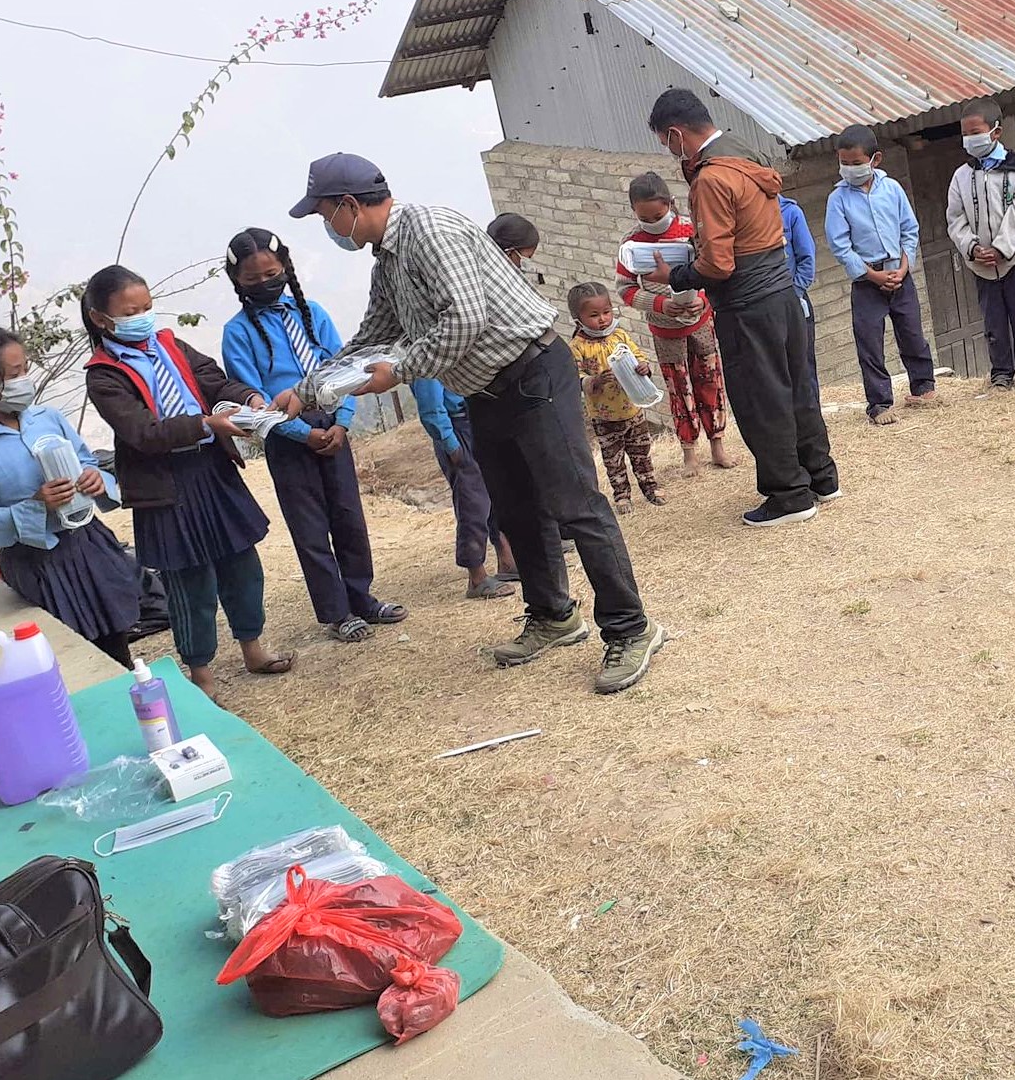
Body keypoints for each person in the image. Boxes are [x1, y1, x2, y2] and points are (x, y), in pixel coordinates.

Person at [279, 152, 664, 694]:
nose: (328, 228)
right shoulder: (388, 260)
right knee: (517, 510)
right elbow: (373, 334)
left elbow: (465, 318)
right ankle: (554, 615)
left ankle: (630, 628)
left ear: (348, 205)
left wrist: (402, 371)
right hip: (486, 390)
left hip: (533, 374)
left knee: (576, 506)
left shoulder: (431, 231)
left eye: (325, 215)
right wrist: (308, 387)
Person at [83, 264, 292, 689]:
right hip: (164, 487)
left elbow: (212, 380)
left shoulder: (167, 343)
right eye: (130, 310)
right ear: (101, 319)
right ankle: (201, 670)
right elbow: (142, 433)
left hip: (211, 471)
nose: (143, 316)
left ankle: (252, 646)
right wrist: (207, 425)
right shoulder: (104, 375)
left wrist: (247, 398)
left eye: (147, 306)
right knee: (189, 583)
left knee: (242, 564)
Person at [644, 91, 839, 527]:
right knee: (796, 389)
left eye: (666, 142)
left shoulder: (712, 179)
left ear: (676, 134)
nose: (669, 152)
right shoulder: (747, 156)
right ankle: (821, 478)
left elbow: (717, 263)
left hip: (748, 304)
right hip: (784, 293)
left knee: (760, 398)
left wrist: (673, 276)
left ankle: (789, 495)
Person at [220, 228, 406, 644]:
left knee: (348, 518)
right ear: (237, 282)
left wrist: (342, 422)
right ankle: (336, 612)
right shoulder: (238, 333)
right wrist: (302, 433)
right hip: (287, 441)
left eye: (272, 273)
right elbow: (258, 401)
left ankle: (362, 597)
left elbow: (347, 367)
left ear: (285, 267)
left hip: (334, 427)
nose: (266, 283)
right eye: (253, 280)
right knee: (310, 527)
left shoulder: (313, 312)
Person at [0, 326, 141, 666]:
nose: (24, 380)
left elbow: (86, 460)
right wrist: (35, 506)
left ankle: (126, 694)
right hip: (39, 566)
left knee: (116, 641)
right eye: (13, 375)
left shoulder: (48, 419)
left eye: (25, 370)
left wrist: (96, 480)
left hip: (88, 544)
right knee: (69, 652)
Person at [615, 171, 735, 476]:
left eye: (658, 214)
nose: (653, 221)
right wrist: (661, 304)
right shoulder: (631, 243)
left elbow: (714, 270)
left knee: (710, 381)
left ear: (671, 203)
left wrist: (704, 300)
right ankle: (689, 452)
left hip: (701, 322)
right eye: (645, 217)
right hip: (664, 328)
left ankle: (718, 444)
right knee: (679, 388)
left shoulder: (689, 231)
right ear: (633, 211)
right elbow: (625, 288)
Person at [826, 125, 937, 425]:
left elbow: (909, 230)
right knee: (870, 342)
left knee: (912, 332)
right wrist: (872, 276)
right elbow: (840, 245)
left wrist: (903, 267)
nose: (849, 169)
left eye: (856, 163)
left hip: (899, 274)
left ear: (875, 159)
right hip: (866, 281)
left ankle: (923, 385)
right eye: (844, 164)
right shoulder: (838, 200)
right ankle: (879, 403)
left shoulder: (893, 189)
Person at [946, 97, 1015, 389]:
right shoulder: (961, 177)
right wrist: (973, 248)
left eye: (976, 131)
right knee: (994, 321)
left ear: (995, 132)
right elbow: (955, 218)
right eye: (966, 133)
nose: (970, 139)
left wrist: (1002, 248)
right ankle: (1001, 371)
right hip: (983, 266)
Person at [410, 377, 517, 598]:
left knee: (494, 493)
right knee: (472, 502)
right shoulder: (429, 356)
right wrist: (450, 442)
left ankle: (507, 560)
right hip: (456, 428)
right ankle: (476, 577)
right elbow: (430, 404)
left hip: (475, 419)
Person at [567, 281, 664, 511]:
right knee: (614, 458)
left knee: (641, 452)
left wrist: (643, 367)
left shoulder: (619, 335)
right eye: (594, 315)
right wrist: (594, 381)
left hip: (633, 407)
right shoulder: (578, 346)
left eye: (606, 312)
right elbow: (575, 376)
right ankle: (622, 495)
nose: (602, 319)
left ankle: (651, 487)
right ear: (577, 318)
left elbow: (639, 355)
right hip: (605, 416)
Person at [778, 191, 821, 395]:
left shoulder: (790, 212)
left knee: (804, 366)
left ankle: (812, 421)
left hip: (796, 300)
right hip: (766, 306)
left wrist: (795, 293)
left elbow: (807, 259)